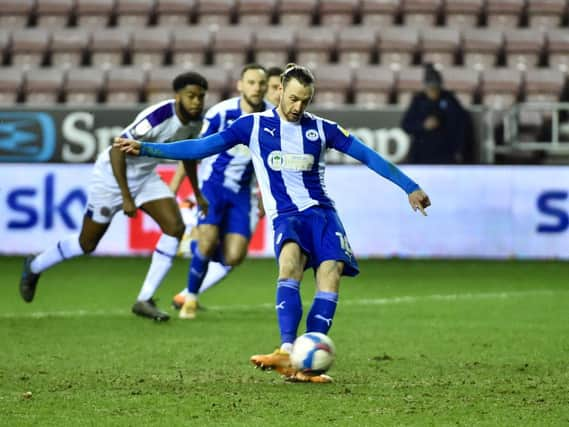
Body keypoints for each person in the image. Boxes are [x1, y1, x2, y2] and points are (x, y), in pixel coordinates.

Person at [114, 64, 431, 382]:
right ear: (279, 91)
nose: (298, 107)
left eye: (305, 101)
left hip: (322, 214)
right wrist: (148, 147)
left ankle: (305, 365)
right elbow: (201, 147)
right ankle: (285, 350)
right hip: (286, 217)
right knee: (290, 264)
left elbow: (368, 156)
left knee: (331, 273)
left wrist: (410, 187)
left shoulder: (323, 129)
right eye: (293, 99)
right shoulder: (252, 126)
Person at [19, 71, 209, 321]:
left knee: (175, 227)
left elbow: (189, 156)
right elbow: (117, 150)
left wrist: (198, 194)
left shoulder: (196, 122)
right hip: (111, 178)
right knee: (86, 244)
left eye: (200, 97)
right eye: (190, 96)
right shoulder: (159, 116)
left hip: (145, 178)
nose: (196, 101)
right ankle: (35, 265)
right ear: (177, 96)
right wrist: (126, 196)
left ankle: (144, 299)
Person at [171, 63, 271, 320]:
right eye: (251, 82)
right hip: (213, 188)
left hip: (242, 194)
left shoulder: (272, 119)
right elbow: (194, 151)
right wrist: (174, 188)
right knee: (207, 243)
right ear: (240, 85)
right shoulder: (220, 113)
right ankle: (190, 298)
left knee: (233, 257)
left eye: (261, 83)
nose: (257, 88)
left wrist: (265, 196)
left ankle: (198, 242)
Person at [401, 63, 470, 164]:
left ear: (440, 86)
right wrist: (423, 125)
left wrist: (458, 150)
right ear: (425, 87)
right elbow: (406, 125)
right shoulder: (419, 100)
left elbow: (460, 126)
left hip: (445, 154)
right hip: (421, 154)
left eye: (435, 88)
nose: (432, 91)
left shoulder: (449, 100)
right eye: (430, 88)